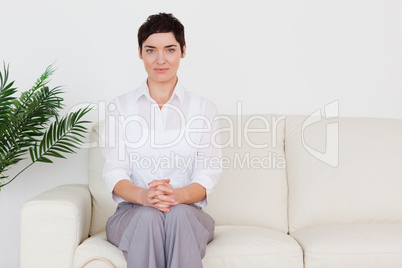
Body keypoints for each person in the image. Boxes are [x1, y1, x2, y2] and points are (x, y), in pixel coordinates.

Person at [102, 13, 222, 268]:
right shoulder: (120, 107)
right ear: (140, 52)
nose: (160, 60)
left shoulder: (204, 108)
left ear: (183, 51)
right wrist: (144, 196)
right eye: (151, 50)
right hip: (131, 213)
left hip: (189, 215)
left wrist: (177, 195)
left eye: (169, 49)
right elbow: (115, 172)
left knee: (177, 215)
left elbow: (207, 174)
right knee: (148, 217)